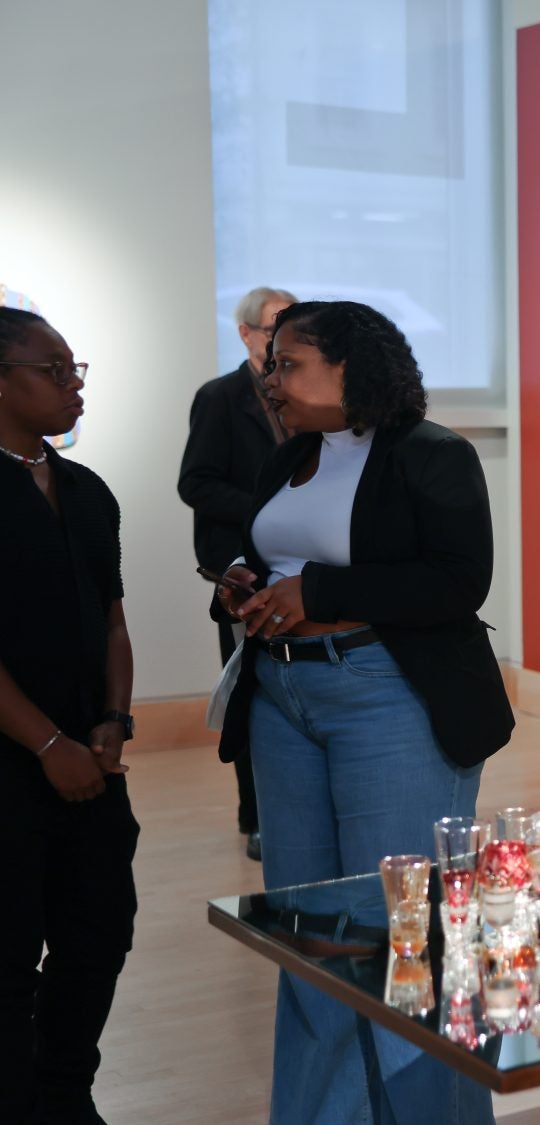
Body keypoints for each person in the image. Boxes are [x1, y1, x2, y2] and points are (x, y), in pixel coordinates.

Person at [213, 300, 514, 1122]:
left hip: (389, 697)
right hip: (283, 700)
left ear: (353, 366)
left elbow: (458, 580)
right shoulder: (291, 457)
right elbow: (275, 547)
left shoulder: (432, 453)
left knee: (404, 931)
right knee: (310, 935)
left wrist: (321, 592)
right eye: (270, 364)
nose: (271, 380)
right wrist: (243, 576)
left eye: (289, 362)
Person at [0, 309, 139, 1125]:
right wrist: (47, 742)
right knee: (10, 952)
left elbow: (113, 618)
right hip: (18, 761)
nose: (74, 382)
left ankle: (64, 1091)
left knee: (99, 934)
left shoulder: (88, 491)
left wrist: (114, 719)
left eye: (74, 365)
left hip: (93, 760)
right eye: (53, 369)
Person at [179, 284, 296, 861]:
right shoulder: (221, 397)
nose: (282, 335)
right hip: (242, 572)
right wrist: (264, 510)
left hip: (300, 569)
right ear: (246, 333)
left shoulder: (309, 394)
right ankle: (256, 819)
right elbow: (194, 484)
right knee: (252, 694)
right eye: (274, 324)